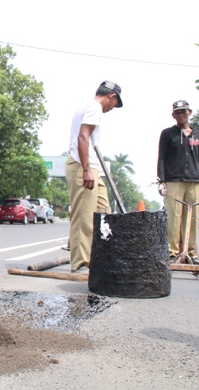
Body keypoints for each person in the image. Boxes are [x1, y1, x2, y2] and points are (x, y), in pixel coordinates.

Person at [65, 80, 122, 273]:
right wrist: (87, 170)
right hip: (82, 165)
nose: (113, 108)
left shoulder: (89, 108)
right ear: (111, 97)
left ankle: (98, 259)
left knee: (103, 211)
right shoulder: (94, 108)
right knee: (84, 217)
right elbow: (83, 137)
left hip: (93, 168)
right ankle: (81, 264)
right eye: (115, 104)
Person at [157, 100, 199, 265]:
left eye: (184, 112)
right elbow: (162, 158)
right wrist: (162, 181)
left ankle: (191, 253)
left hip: (194, 181)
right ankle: (171, 253)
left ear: (190, 113)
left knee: (192, 218)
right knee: (174, 217)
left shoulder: (197, 135)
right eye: (178, 112)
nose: (181, 115)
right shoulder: (167, 134)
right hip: (173, 181)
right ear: (173, 115)